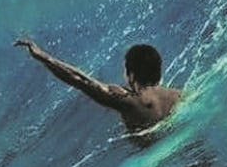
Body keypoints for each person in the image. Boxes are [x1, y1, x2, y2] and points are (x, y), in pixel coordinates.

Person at [14, 37, 181, 145]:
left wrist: (42, 56)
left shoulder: (129, 102)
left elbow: (80, 80)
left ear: (131, 74)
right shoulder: (177, 95)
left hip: (151, 162)